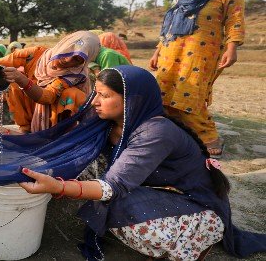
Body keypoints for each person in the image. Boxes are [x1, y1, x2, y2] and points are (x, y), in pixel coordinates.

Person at [18, 66, 266, 260]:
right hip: (160, 190)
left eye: (103, 95)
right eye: (96, 94)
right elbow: (66, 141)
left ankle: (193, 238)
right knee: (85, 168)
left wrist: (58, 187)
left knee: (115, 205)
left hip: (196, 203)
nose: (94, 101)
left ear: (132, 100)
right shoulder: (108, 122)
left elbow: (112, 186)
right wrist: (14, 138)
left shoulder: (155, 132)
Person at [149, 0, 245, 158]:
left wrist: (232, 47)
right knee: (164, 94)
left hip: (202, 55)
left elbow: (234, 21)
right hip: (171, 52)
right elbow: (169, 29)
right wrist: (158, 50)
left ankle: (209, 136)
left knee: (191, 93)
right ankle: (175, 133)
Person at [0, 31, 99, 133]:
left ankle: (58, 134)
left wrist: (22, 79)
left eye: (77, 59)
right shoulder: (35, 54)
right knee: (13, 84)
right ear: (63, 44)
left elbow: (47, 97)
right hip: (34, 109)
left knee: (71, 94)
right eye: (68, 51)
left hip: (59, 115)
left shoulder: (75, 76)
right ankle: (26, 129)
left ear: (82, 62)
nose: (68, 59)